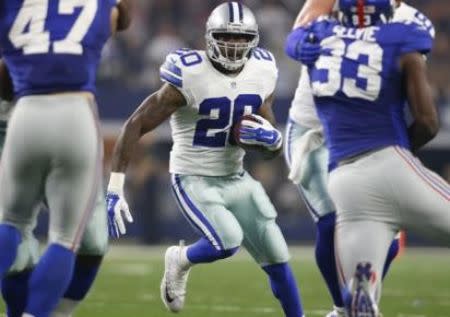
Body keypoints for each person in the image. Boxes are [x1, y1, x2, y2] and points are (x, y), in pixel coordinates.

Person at [107, 2, 304, 317]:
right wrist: (115, 186)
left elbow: (269, 146)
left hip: (236, 176)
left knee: (278, 256)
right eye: (227, 36)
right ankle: (181, 258)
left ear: (254, 39)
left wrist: (272, 141)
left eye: (242, 38)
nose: (234, 44)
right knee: (226, 240)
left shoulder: (263, 69)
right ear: (210, 36)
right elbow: (136, 124)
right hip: (193, 176)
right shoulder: (189, 73)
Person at [286, 0, 449, 316]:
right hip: (365, 147)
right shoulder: (405, 34)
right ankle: (344, 305)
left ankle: (359, 297)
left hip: (343, 169)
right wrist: (402, 150)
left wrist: (310, 42)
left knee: (373, 244)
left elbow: (296, 39)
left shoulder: (319, 34)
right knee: (332, 222)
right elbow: (427, 120)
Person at [0, 1, 131, 316]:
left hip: (26, 112)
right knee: (59, 240)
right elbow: (120, 17)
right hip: (69, 113)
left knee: (19, 224)